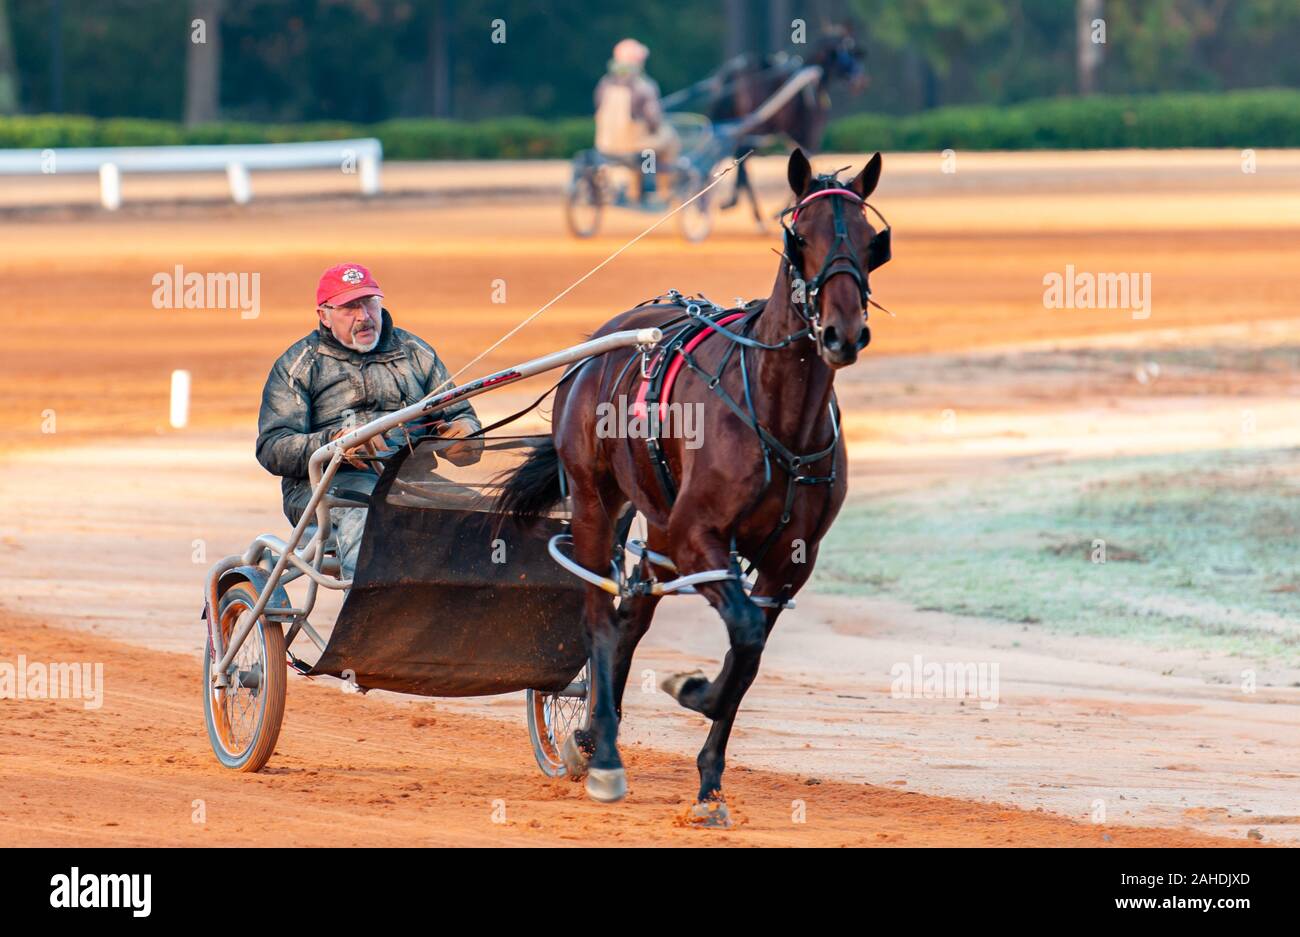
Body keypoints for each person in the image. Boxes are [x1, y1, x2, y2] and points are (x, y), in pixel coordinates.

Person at [256, 263, 480, 580]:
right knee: (369, 520)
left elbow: (461, 416)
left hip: (410, 482)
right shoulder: (299, 364)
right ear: (324, 315)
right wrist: (337, 441)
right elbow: (272, 446)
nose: (363, 316)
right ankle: (367, 624)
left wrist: (467, 438)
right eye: (349, 307)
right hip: (322, 491)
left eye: (369, 303)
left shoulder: (415, 353)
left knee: (488, 518)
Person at [594, 38, 679, 201]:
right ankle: (663, 190)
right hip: (635, 145)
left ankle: (633, 190)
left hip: (606, 143)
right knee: (668, 139)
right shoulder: (644, 86)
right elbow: (653, 120)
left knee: (640, 147)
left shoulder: (604, 84)